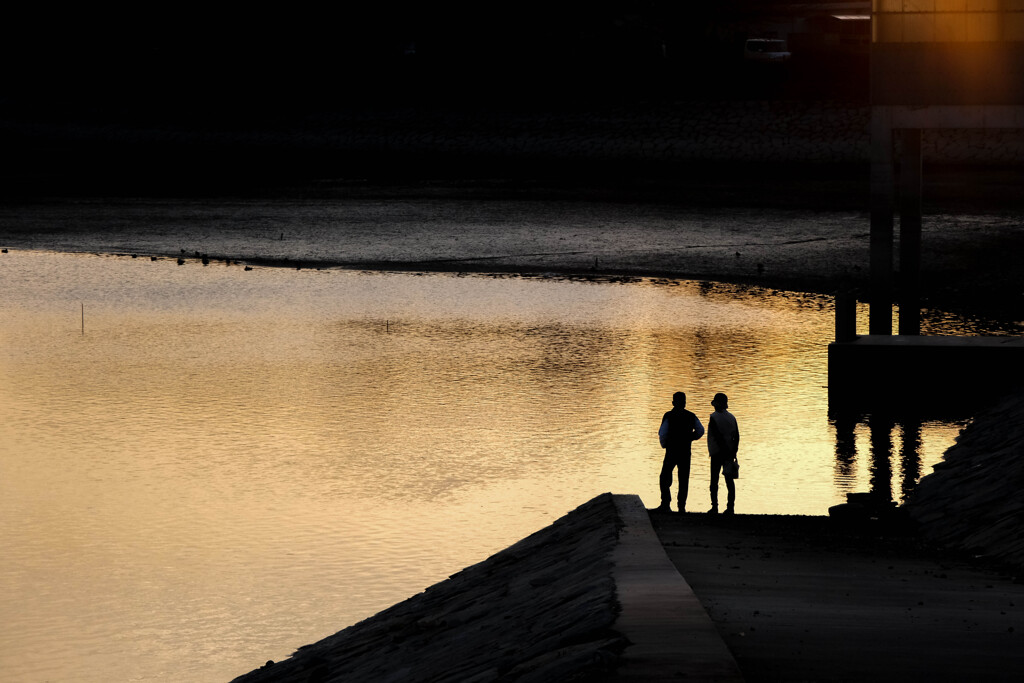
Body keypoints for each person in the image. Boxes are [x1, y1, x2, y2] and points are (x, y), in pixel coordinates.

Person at [654, 392, 704, 513]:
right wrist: (691, 437)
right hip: (685, 451)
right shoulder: (691, 416)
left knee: (664, 476)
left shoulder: (669, 415)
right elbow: (700, 431)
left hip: (671, 450)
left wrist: (665, 445)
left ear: (673, 403)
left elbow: (663, 433)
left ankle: (665, 503)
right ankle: (681, 507)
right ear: (685, 403)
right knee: (683, 479)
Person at [707, 392, 740, 515]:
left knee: (714, 480)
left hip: (717, 453)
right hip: (730, 453)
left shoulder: (714, 417)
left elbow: (717, 436)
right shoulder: (732, 417)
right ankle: (730, 507)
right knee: (729, 480)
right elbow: (737, 436)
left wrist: (723, 449)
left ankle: (714, 507)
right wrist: (734, 451)